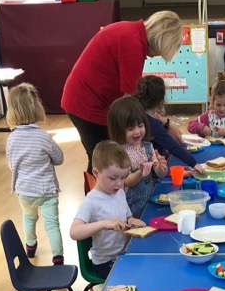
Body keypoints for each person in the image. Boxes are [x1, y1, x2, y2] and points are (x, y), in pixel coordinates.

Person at [62, 11, 183, 172]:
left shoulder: (131, 33)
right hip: (87, 103)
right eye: (160, 52)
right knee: (104, 161)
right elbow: (131, 105)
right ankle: (98, 189)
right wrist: (165, 124)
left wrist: (161, 121)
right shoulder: (132, 45)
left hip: (87, 99)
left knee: (100, 158)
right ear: (160, 40)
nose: (156, 56)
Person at [6, 83, 65, 264]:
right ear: (36, 107)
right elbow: (59, 158)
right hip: (46, 191)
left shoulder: (11, 139)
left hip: (24, 190)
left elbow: (11, 164)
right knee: (52, 224)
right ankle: (58, 257)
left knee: (29, 218)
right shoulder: (43, 137)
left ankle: (30, 247)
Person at [70, 141, 145, 279]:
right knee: (138, 278)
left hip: (124, 254)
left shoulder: (119, 192)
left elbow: (128, 217)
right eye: (113, 178)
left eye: (123, 177)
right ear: (96, 173)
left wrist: (132, 220)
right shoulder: (91, 201)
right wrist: (104, 224)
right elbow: (74, 232)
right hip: (106, 263)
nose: (119, 183)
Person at [107, 95, 167, 218]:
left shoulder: (147, 146)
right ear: (118, 129)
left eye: (140, 125)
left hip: (149, 199)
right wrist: (140, 173)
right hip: (131, 207)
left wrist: (162, 167)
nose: (137, 131)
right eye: (130, 128)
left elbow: (159, 172)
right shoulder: (120, 153)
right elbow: (127, 181)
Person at [135, 74, 205, 172]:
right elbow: (173, 146)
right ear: (160, 101)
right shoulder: (152, 124)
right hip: (153, 171)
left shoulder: (139, 115)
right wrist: (194, 163)